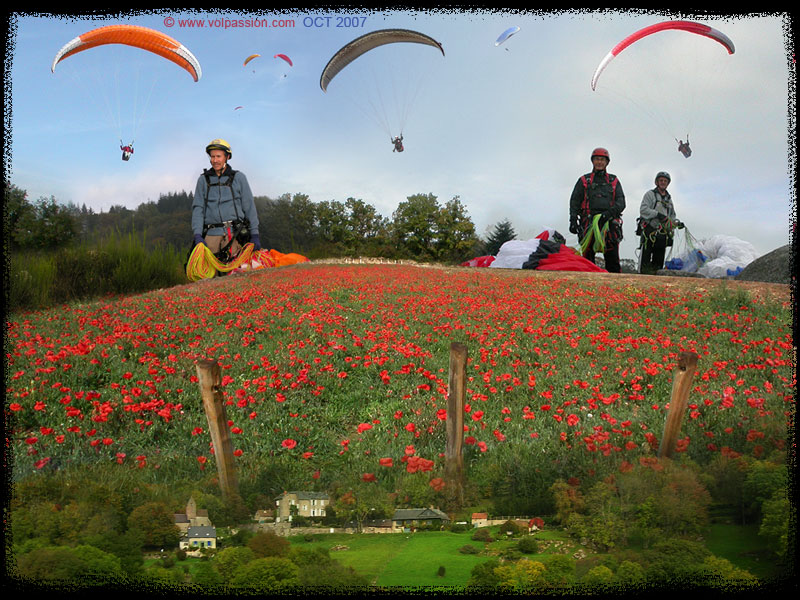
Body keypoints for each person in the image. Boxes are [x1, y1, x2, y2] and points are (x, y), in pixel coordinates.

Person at [192, 139, 261, 273]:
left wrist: (255, 234)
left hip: (235, 235)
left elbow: (249, 207)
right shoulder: (203, 180)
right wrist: (197, 235)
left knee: (237, 275)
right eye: (212, 156)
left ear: (227, 157)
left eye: (218, 156)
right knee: (208, 277)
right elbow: (198, 209)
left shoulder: (239, 178)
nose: (215, 160)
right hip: (210, 237)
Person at [568, 147, 626, 273]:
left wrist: (608, 215)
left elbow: (621, 202)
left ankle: (615, 285)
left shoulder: (614, 181)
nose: (599, 162)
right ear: (592, 161)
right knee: (587, 258)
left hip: (609, 224)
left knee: (612, 259)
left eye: (602, 160)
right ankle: (588, 285)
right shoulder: (584, 180)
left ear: (607, 162)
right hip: (588, 223)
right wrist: (573, 219)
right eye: (597, 159)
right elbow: (575, 201)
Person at [638, 171, 684, 274]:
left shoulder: (669, 199)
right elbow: (643, 210)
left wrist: (676, 224)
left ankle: (656, 280)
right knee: (645, 259)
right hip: (649, 231)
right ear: (657, 182)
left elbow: (672, 215)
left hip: (662, 234)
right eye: (661, 180)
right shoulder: (650, 195)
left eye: (665, 181)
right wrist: (657, 214)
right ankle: (643, 278)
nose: (663, 182)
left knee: (659, 261)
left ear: (668, 183)